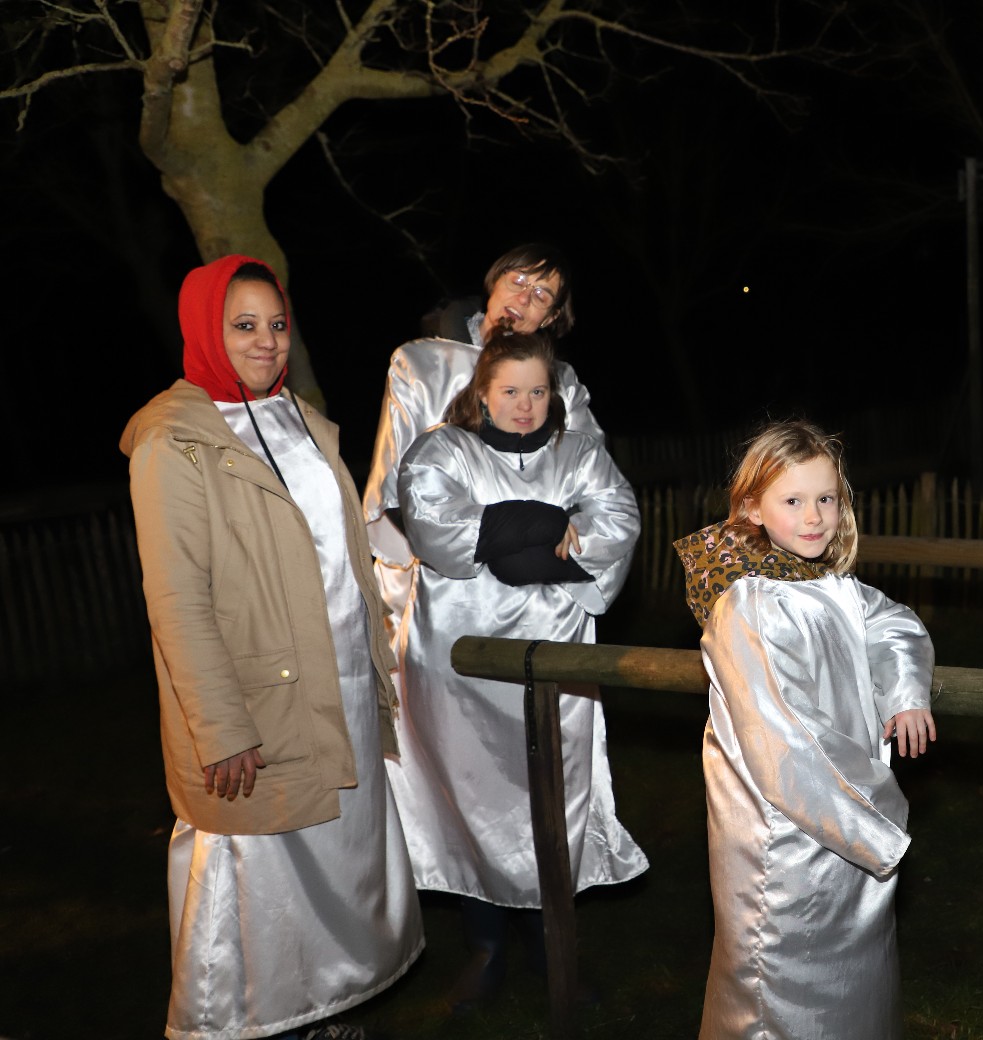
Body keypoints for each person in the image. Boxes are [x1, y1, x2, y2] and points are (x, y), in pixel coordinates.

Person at [121, 255, 423, 1040]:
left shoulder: (298, 418)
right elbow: (177, 598)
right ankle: (259, 1026)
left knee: (334, 869)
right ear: (204, 331)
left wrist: (377, 669)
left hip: (338, 686)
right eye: (244, 325)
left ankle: (321, 1015)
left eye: (277, 324)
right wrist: (221, 726)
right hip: (256, 703)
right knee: (257, 888)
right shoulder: (172, 439)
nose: (266, 341)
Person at [387, 323, 646, 1009]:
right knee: (473, 798)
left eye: (537, 392)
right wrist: (545, 523)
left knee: (549, 799)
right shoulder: (441, 451)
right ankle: (486, 947)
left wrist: (513, 541)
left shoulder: (580, 454)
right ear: (483, 392)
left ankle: (549, 944)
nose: (525, 406)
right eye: (509, 391)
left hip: (556, 658)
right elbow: (440, 530)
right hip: (464, 667)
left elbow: (618, 522)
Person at [674, 420, 937, 1040]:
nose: (814, 516)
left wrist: (905, 694)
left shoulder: (823, 582)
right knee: (776, 991)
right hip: (787, 836)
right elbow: (784, 736)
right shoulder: (748, 603)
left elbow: (892, 624)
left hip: (840, 820)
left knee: (853, 989)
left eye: (826, 498)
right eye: (792, 500)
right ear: (752, 508)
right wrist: (877, 815)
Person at [362, 243, 602, 647]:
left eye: (541, 294)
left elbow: (590, 484)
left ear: (551, 318)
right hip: (436, 583)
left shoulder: (563, 385)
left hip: (535, 588)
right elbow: (397, 480)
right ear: (494, 284)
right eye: (517, 281)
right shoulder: (421, 364)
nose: (523, 298)